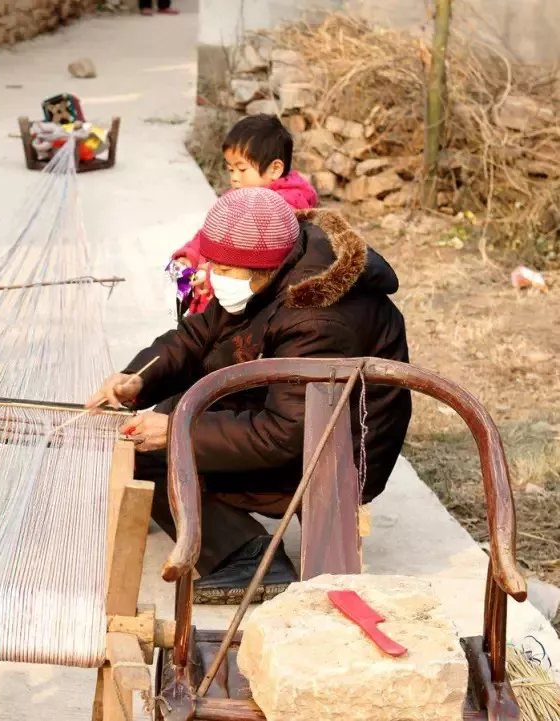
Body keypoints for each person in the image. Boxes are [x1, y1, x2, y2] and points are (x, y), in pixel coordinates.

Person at [88, 188, 411, 603]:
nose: (214, 274)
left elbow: (287, 434)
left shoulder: (317, 317)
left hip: (337, 451)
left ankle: (251, 558)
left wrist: (177, 433)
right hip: (296, 413)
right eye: (213, 262)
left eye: (225, 267)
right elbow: (198, 336)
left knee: (154, 448)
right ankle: (226, 530)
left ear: (267, 267)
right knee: (166, 415)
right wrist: (139, 378)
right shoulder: (273, 270)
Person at [168, 115, 318, 320]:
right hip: (211, 293)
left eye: (241, 169)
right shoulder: (240, 197)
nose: (234, 177)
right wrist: (190, 256)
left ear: (275, 169)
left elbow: (256, 270)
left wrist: (212, 277)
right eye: (230, 169)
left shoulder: (281, 211)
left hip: (241, 311)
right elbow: (211, 233)